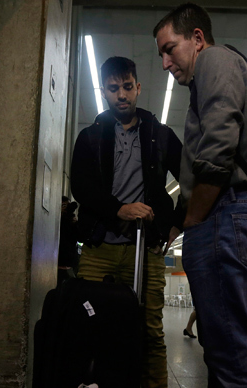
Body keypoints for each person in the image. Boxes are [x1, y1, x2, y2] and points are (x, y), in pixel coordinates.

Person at [154, 4, 247, 386]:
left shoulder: (216, 60)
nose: (164, 62)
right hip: (223, 215)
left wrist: (194, 216)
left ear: (198, 39)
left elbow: (220, 143)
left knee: (234, 353)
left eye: (169, 48)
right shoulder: (202, 79)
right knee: (222, 348)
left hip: (226, 213)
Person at [70, 56, 183, 388]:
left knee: (149, 331)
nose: (121, 94)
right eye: (113, 88)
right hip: (98, 247)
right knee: (90, 324)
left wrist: (175, 224)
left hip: (145, 251)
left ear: (138, 87)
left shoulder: (161, 136)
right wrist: (118, 209)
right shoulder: (90, 138)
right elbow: (81, 186)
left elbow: (191, 178)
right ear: (104, 91)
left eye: (127, 87)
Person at [58, 196, 79, 285]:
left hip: (69, 263)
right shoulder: (59, 221)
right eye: (64, 206)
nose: (66, 208)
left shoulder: (71, 221)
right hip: (59, 263)